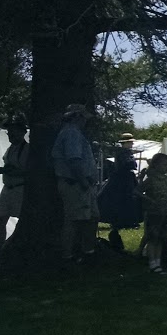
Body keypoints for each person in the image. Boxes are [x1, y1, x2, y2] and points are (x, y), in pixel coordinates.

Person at [52, 103, 99, 263]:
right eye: (83, 117)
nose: (85, 121)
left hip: (78, 183)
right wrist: (83, 181)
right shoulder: (72, 133)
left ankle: (86, 252)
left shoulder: (73, 132)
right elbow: (74, 160)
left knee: (90, 218)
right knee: (75, 221)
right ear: (77, 117)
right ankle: (70, 256)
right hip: (75, 184)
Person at [97, 134, 143, 251]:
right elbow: (130, 164)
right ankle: (123, 220)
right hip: (123, 180)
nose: (132, 144)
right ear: (125, 143)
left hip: (125, 178)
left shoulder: (124, 152)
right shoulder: (124, 152)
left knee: (128, 200)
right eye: (130, 142)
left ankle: (127, 220)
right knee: (123, 199)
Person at [138, 152, 167, 273]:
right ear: (156, 165)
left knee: (162, 238)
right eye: (164, 165)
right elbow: (137, 191)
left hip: (165, 212)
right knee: (153, 238)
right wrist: (149, 200)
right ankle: (152, 262)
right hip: (154, 213)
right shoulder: (151, 180)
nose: (166, 167)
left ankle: (158, 262)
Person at [0, 115, 30, 250]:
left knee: (22, 219)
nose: (10, 135)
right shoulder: (10, 149)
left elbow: (30, 173)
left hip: (20, 188)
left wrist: (12, 172)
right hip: (7, 188)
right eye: (9, 132)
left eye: (13, 132)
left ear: (22, 132)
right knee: (1, 218)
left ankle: (18, 246)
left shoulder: (27, 149)